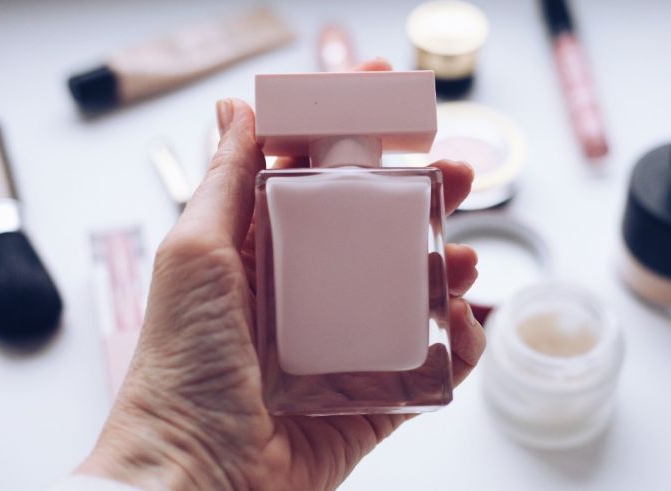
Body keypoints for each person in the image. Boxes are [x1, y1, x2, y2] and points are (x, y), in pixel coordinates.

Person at [55, 60, 485, 491]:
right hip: (338, 389)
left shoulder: (328, 189)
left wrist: (187, 454)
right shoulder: (387, 189)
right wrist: (191, 446)